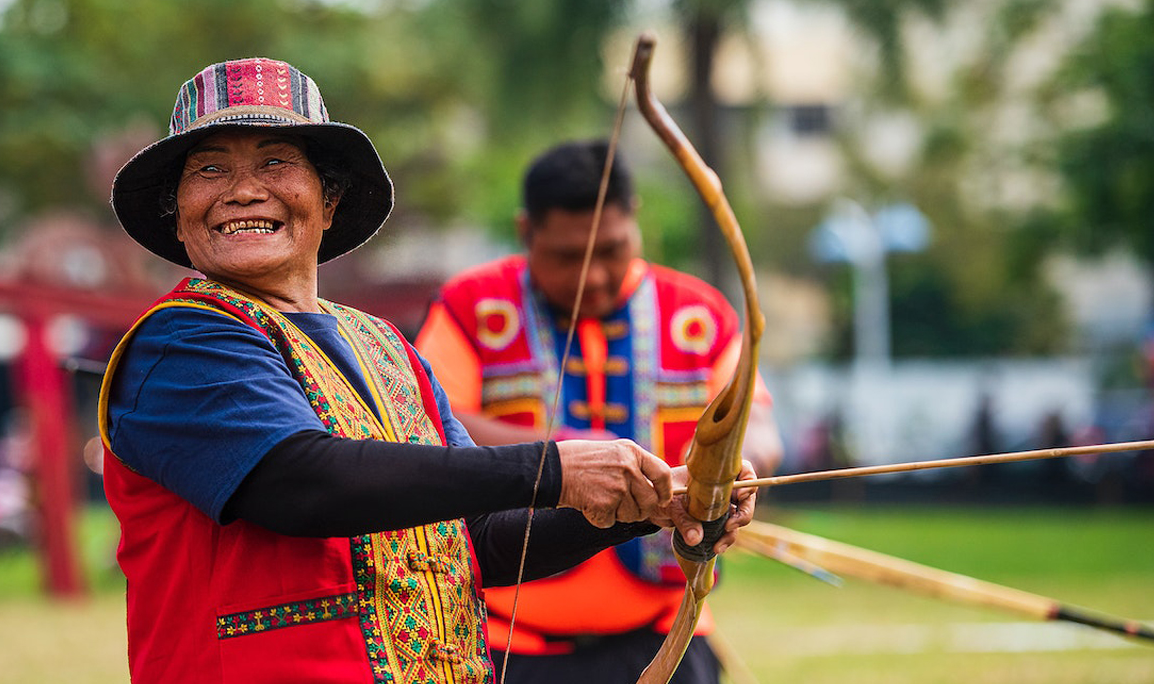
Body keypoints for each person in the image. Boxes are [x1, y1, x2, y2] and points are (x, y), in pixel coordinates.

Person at [96, 58, 759, 684]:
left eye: (276, 160)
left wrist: (655, 503)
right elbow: (301, 480)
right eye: (209, 169)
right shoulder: (183, 338)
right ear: (176, 215)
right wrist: (556, 467)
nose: (243, 189)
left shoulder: (385, 346)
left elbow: (482, 537)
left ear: (328, 200)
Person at [415, 139, 783, 684]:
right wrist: (567, 461)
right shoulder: (473, 306)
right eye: (568, 257)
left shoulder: (698, 313)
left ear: (633, 220)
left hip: (667, 635)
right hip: (507, 645)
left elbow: (758, 430)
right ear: (526, 232)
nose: (593, 276)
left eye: (611, 250)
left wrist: (730, 472)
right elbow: (428, 423)